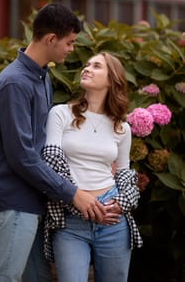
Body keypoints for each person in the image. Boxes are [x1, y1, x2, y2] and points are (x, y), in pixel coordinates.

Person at [0, 3, 107, 282]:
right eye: (70, 42)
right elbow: (22, 156)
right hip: (16, 203)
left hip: (35, 201)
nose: (72, 49)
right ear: (51, 39)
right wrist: (72, 193)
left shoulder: (41, 77)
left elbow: (45, 145)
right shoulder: (15, 83)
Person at [42, 52, 143, 282]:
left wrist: (121, 203)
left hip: (112, 219)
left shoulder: (122, 128)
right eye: (86, 65)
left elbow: (125, 175)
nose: (87, 68)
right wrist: (80, 203)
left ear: (111, 80)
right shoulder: (61, 114)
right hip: (70, 219)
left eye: (96, 66)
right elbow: (52, 163)